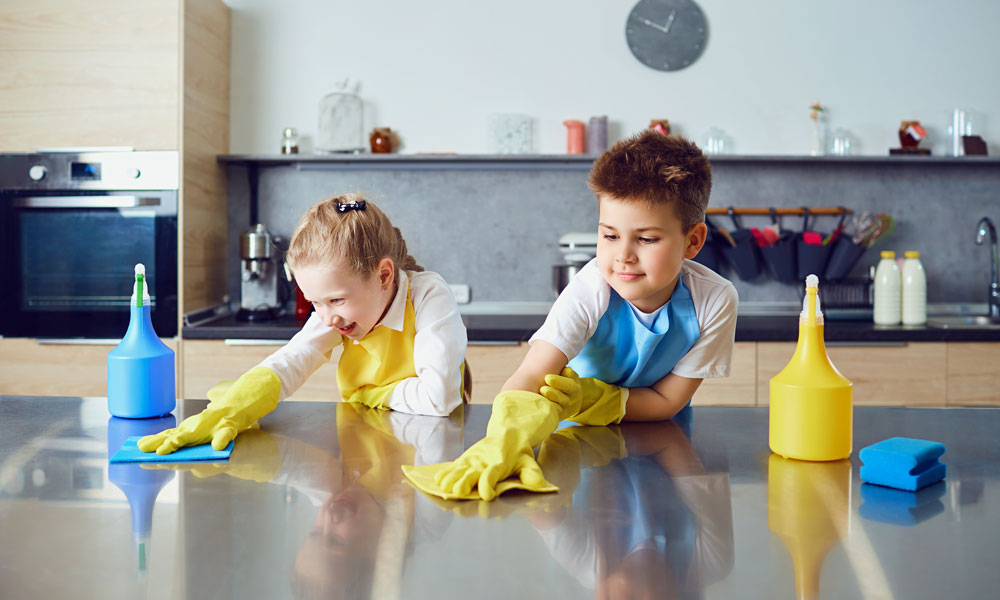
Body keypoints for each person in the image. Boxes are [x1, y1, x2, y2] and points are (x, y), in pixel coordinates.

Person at [403, 131, 738, 501]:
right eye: (610, 235)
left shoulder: (715, 300)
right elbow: (532, 375)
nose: (622, 255)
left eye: (646, 239)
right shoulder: (590, 288)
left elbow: (667, 402)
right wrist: (502, 441)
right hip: (572, 447)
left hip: (660, 448)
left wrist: (592, 398)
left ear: (693, 240)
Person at [139, 195, 469, 455]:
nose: (326, 318)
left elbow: (438, 399)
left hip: (431, 449)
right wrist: (235, 407)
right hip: (368, 446)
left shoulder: (427, 295)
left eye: (336, 300)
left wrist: (370, 394)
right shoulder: (337, 313)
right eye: (315, 302)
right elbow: (292, 359)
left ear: (384, 275)